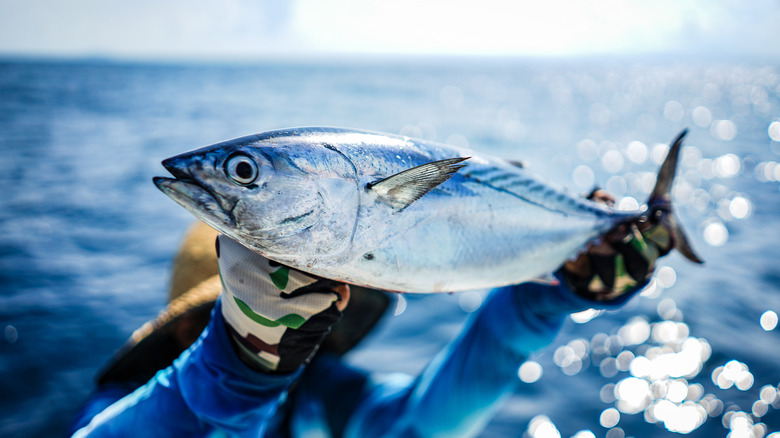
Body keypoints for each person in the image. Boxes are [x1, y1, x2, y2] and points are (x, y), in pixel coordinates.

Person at [68, 191, 674, 438]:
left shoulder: (320, 392)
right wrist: (240, 368)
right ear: (182, 328)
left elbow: (421, 424)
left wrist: (540, 297)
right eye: (231, 310)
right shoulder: (118, 410)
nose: (258, 321)